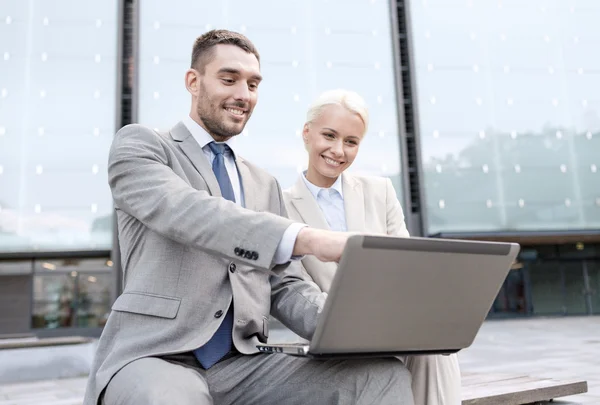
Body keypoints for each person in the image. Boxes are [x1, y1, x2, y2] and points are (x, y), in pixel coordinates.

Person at [83, 30, 415, 405]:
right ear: (194, 82)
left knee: (380, 375)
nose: (244, 94)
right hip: (155, 355)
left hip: (242, 363)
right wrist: (308, 237)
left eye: (253, 84)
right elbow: (190, 212)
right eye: (229, 79)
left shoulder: (263, 183)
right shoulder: (143, 146)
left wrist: (355, 325)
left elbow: (284, 283)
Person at [282, 89, 462, 405]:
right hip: (330, 337)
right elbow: (293, 288)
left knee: (435, 350)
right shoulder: (279, 205)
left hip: (392, 325)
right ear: (307, 133)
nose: (338, 150)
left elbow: (407, 269)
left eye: (351, 142)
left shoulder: (379, 191)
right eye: (329, 135)